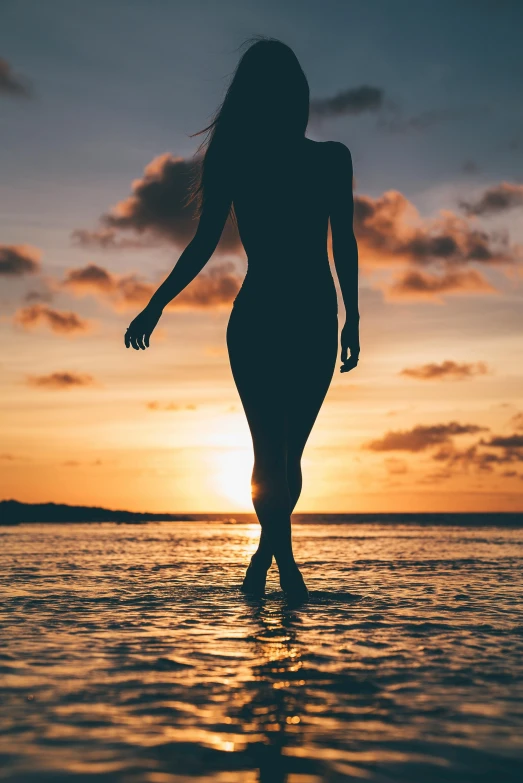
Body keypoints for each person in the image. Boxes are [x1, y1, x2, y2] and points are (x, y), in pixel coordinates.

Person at [124, 36, 359, 604]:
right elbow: (203, 244)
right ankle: (289, 572)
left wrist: (354, 317)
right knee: (270, 454)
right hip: (271, 320)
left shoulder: (331, 158)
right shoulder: (243, 161)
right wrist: (156, 303)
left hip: (308, 322)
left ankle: (263, 557)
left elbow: (345, 241)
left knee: (287, 455)